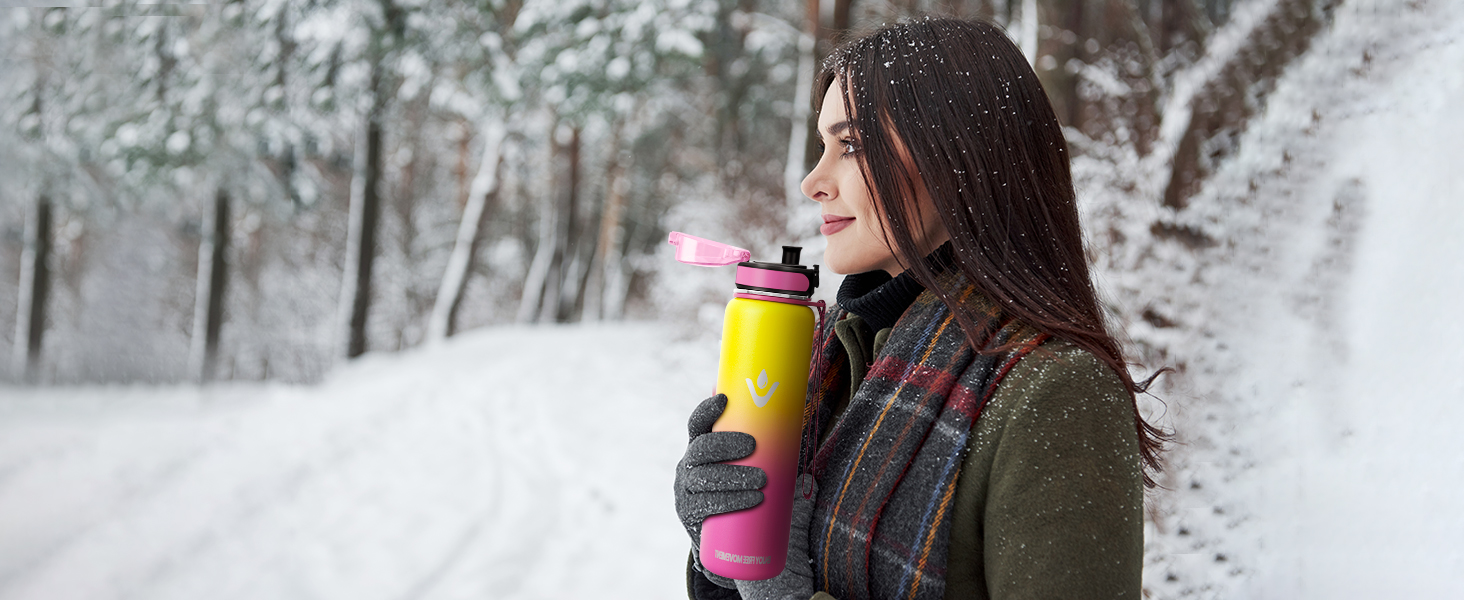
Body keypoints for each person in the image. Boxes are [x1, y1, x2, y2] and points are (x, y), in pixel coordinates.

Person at [674, 17, 1167, 600]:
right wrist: (724, 552)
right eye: (822, 146)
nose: (813, 181)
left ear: (957, 156)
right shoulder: (829, 354)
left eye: (851, 145)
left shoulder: (1057, 389)